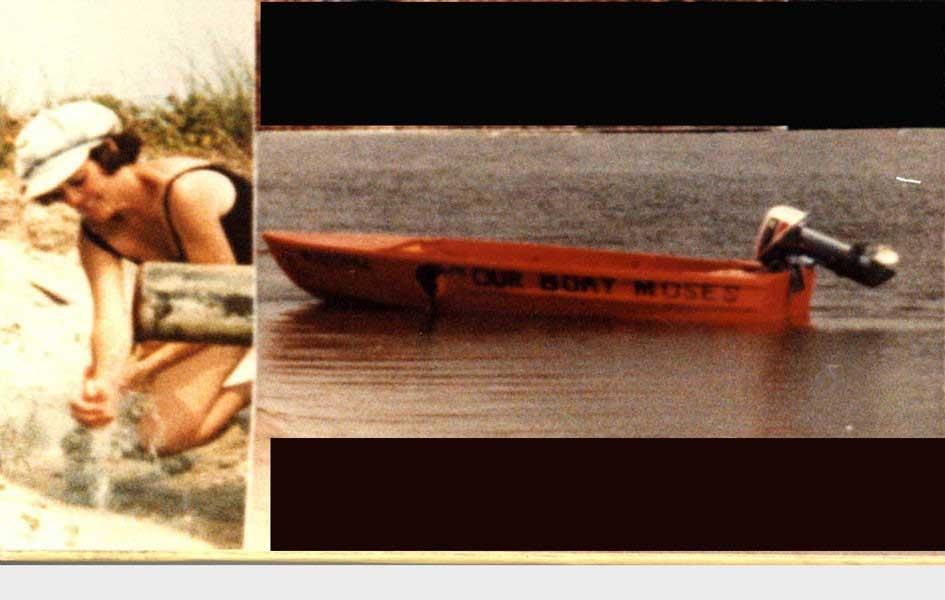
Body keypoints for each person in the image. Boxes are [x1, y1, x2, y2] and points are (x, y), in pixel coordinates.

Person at [14, 100, 253, 455]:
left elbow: (222, 307)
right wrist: (105, 381)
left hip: (254, 303)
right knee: (138, 415)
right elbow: (109, 318)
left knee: (162, 436)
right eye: (59, 194)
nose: (74, 200)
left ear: (109, 153)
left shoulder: (185, 192)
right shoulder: (95, 232)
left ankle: (255, 382)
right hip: (203, 308)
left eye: (79, 181)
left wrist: (133, 374)